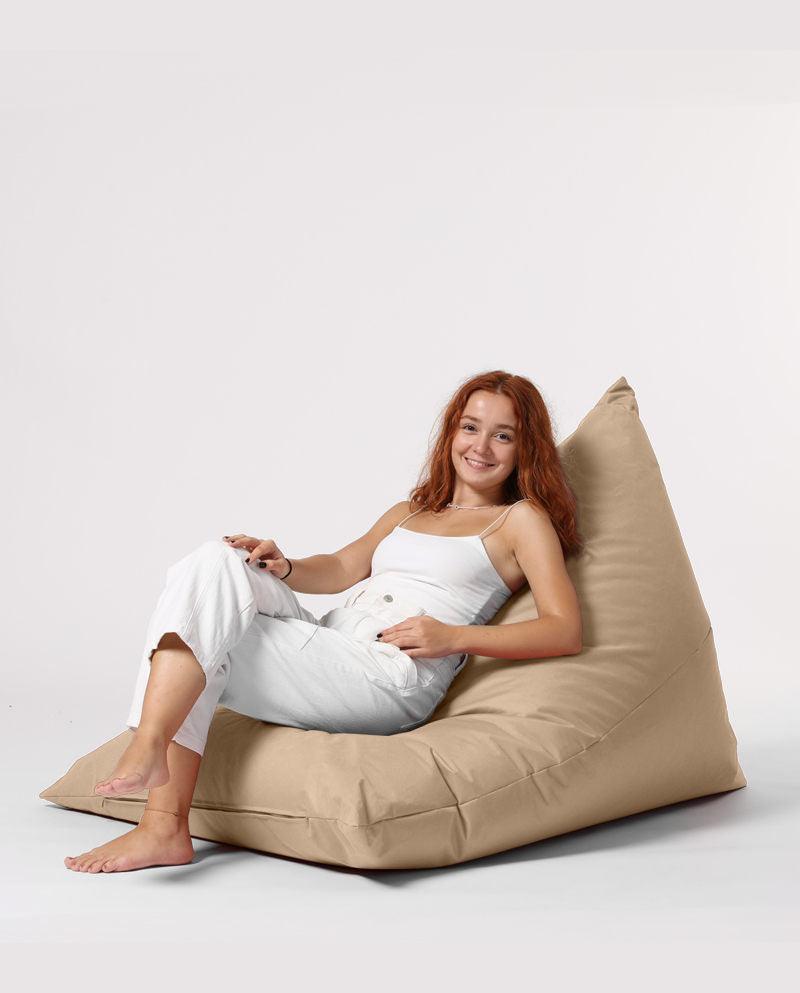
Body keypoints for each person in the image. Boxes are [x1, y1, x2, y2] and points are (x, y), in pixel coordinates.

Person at [64, 370, 584, 873]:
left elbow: (563, 629)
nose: (481, 447)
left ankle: (158, 800)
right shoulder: (410, 510)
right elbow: (340, 567)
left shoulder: (521, 520)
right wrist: (283, 566)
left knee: (202, 626)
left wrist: (454, 638)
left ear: (525, 448)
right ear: (452, 432)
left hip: (392, 672)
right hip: (334, 641)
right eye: (470, 427)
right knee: (216, 561)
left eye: (503, 436)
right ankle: (156, 773)